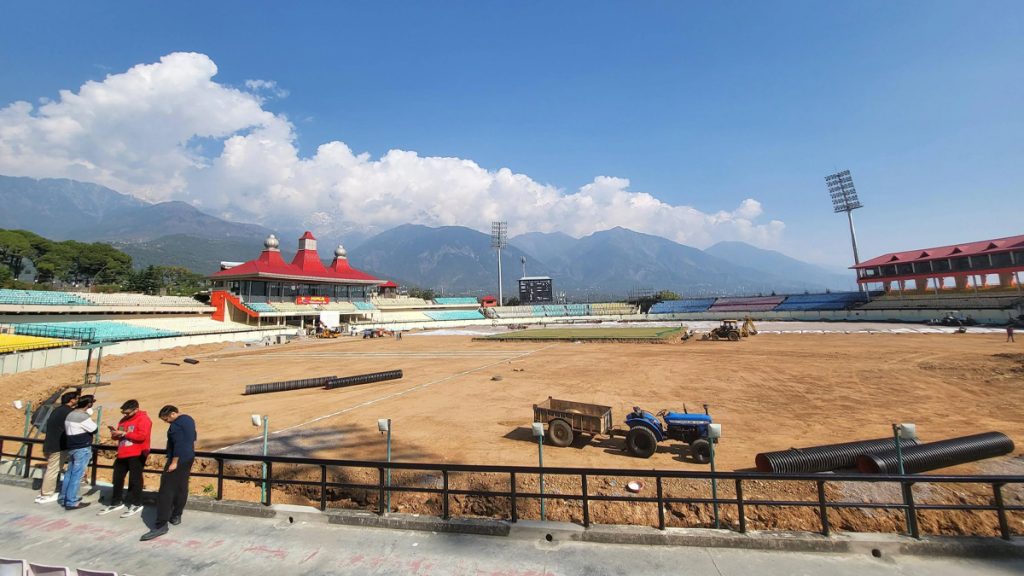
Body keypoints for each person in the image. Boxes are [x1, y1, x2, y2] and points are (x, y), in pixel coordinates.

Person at [141, 405, 196, 541]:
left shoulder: (175, 426)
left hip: (177, 460)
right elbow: (193, 437)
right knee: (182, 487)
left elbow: (178, 444)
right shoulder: (188, 419)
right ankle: (176, 515)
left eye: (166, 419)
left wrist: (174, 462)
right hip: (189, 457)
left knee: (166, 492)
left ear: (172, 414)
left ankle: (161, 525)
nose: (166, 422)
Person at [97, 400, 152, 518]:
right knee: (117, 478)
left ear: (136, 410)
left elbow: (142, 436)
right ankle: (116, 501)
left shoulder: (144, 419)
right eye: (124, 413)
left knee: (135, 480)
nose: (125, 415)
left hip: (137, 453)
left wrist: (124, 434)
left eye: (128, 413)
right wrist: (115, 434)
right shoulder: (123, 420)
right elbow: (119, 434)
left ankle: (136, 503)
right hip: (122, 453)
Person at [35, 391, 79, 504]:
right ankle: (46, 494)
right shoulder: (68, 412)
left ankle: (45, 493)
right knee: (53, 470)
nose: (77, 400)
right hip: (58, 446)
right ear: (72, 400)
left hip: (49, 444)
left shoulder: (57, 410)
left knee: (52, 469)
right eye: (76, 398)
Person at [59, 394, 97, 511]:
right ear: (89, 404)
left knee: (70, 473)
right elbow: (94, 429)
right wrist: (88, 416)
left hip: (72, 447)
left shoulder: (71, 414)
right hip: (82, 448)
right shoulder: (82, 416)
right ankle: (71, 501)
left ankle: (64, 497)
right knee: (77, 475)